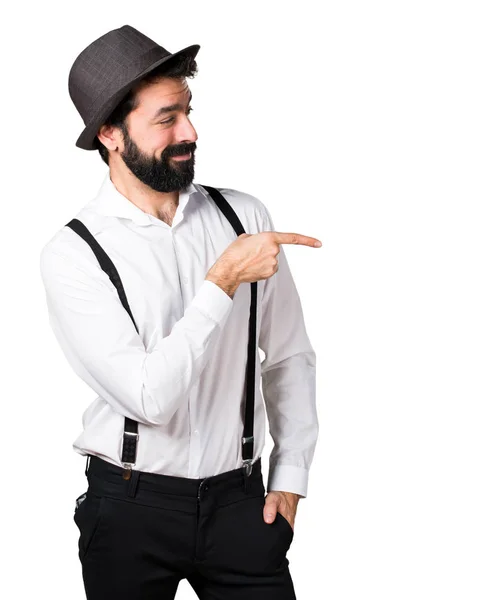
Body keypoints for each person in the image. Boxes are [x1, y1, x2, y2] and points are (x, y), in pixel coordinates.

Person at [39, 24, 322, 600]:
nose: (190, 131)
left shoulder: (243, 216)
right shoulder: (73, 254)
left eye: (188, 111)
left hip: (243, 507)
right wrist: (220, 282)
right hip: (129, 510)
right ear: (111, 135)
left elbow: (288, 352)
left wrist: (290, 478)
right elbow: (149, 397)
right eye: (166, 118)